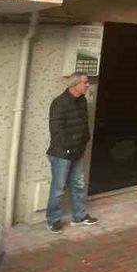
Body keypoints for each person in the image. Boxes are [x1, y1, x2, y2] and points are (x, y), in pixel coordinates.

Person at [46, 72, 99, 233]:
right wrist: (68, 147)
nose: (88, 85)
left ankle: (79, 216)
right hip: (61, 153)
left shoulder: (81, 100)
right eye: (85, 82)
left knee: (77, 185)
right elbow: (56, 130)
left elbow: (84, 123)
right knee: (58, 188)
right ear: (75, 84)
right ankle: (53, 220)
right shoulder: (59, 102)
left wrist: (85, 140)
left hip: (77, 151)